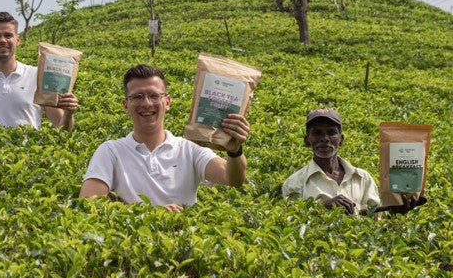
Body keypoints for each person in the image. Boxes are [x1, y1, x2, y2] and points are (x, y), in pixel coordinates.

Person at [79, 64, 249, 211]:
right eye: (137, 97)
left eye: (154, 96)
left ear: (167, 102)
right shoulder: (111, 151)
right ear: (126, 105)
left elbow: (232, 178)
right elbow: (89, 201)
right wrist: (151, 215)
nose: (146, 103)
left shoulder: (189, 149)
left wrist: (234, 151)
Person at [282, 107, 424, 216]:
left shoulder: (363, 178)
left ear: (341, 140)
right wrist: (322, 208)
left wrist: (396, 212)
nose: (324, 138)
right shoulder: (294, 183)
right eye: (317, 133)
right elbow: (291, 223)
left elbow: (376, 221)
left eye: (331, 132)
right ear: (307, 141)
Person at [0, 11, 79, 130]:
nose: (2, 40)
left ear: (17, 40)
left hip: (27, 149)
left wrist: (68, 113)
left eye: (8, 35)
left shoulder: (38, 76)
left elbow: (61, 129)